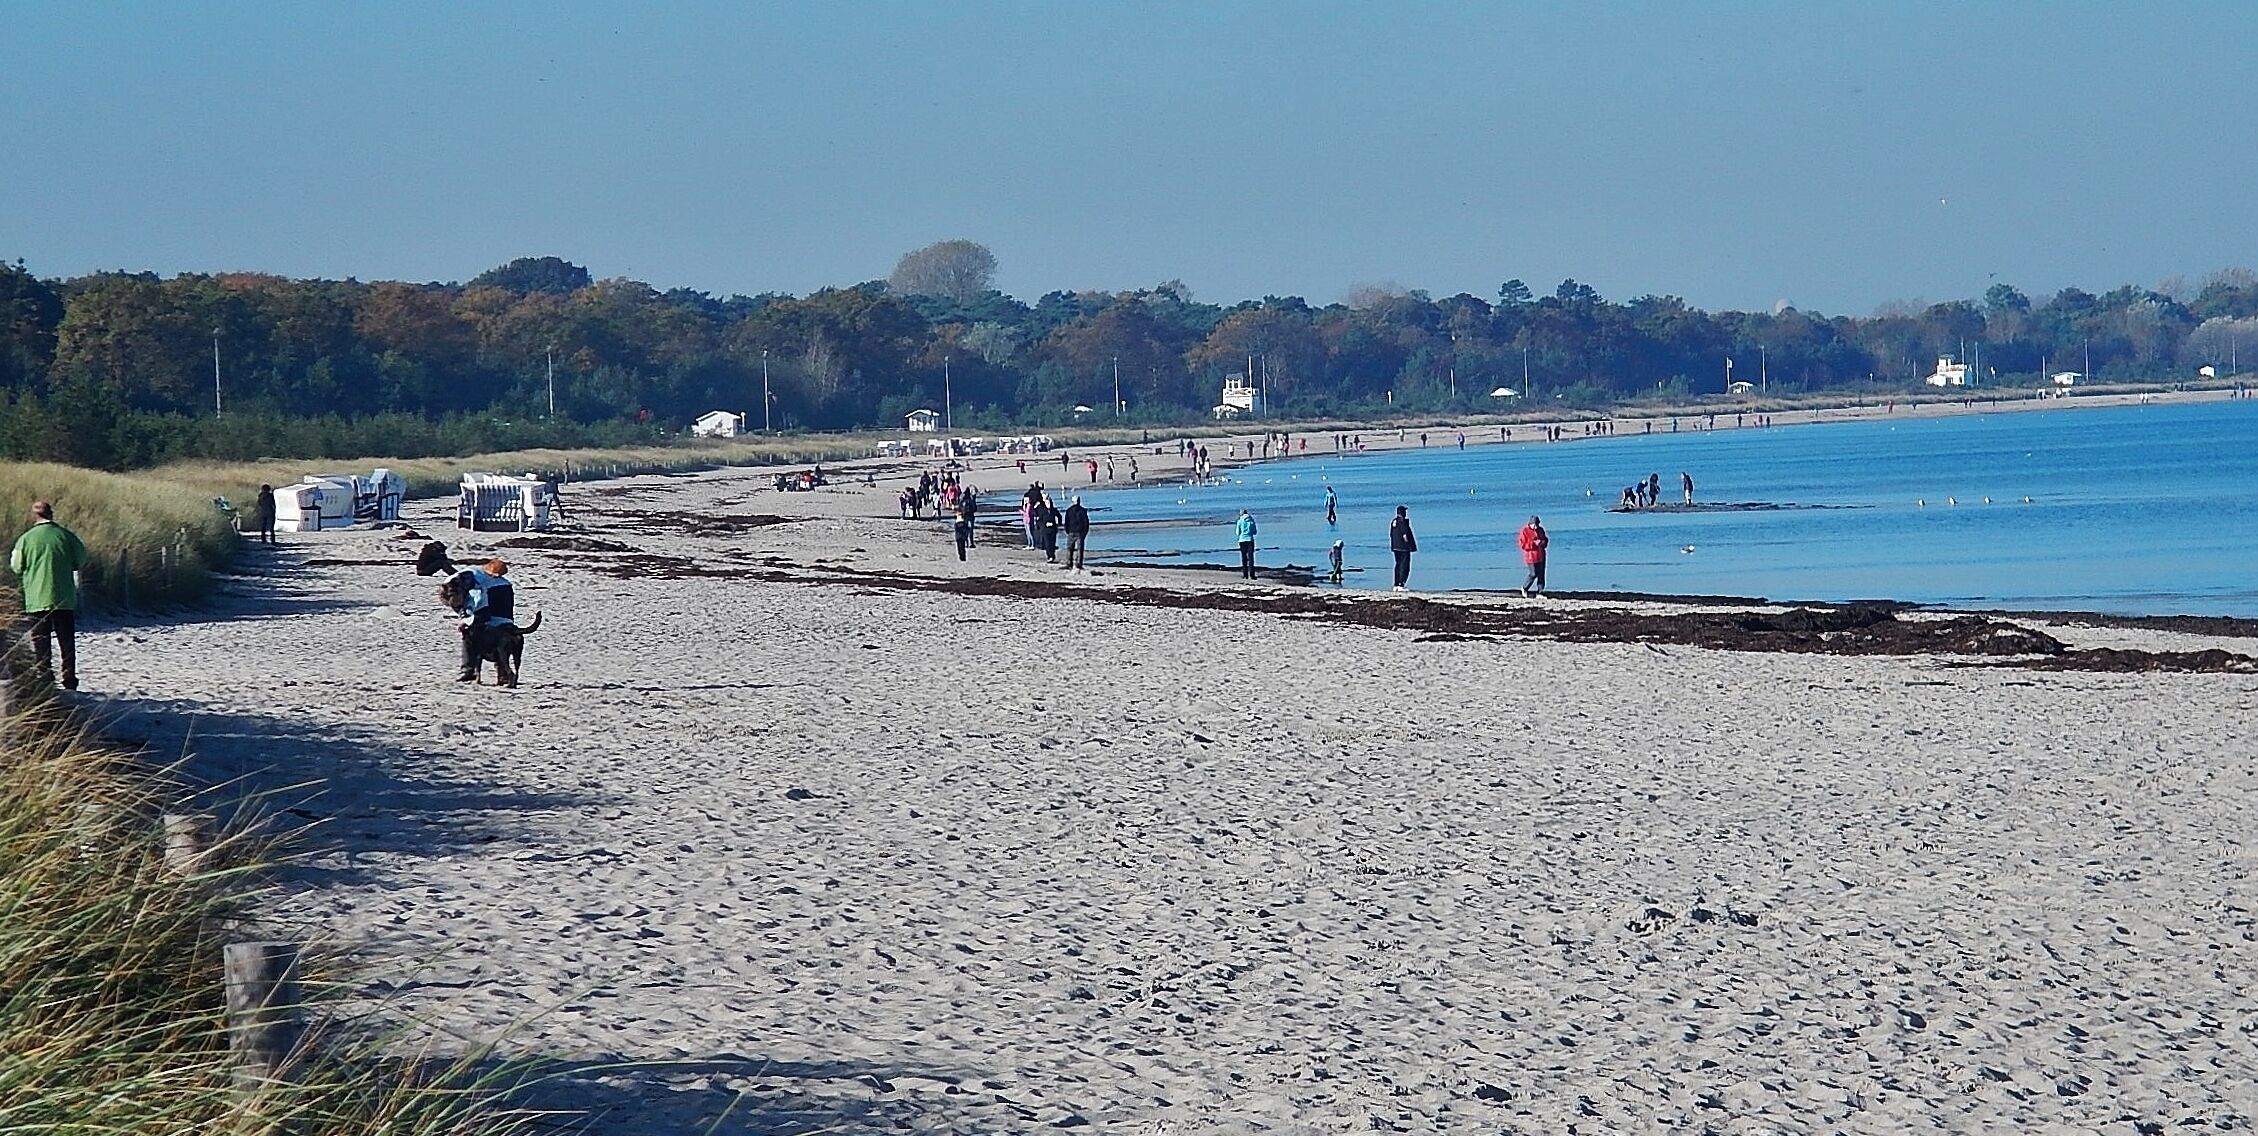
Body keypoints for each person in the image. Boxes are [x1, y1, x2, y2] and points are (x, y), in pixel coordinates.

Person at [9, 501, 90, 690]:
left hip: (36, 597)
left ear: (34, 516)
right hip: (63, 597)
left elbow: (16, 566)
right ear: (51, 514)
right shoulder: (67, 536)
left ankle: (45, 677)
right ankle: (69, 676)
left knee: (41, 640)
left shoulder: (25, 539)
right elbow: (80, 560)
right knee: (66, 640)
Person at [450, 559, 517, 682]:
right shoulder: (506, 584)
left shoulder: (479, 582)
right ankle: (503, 674)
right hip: (506, 622)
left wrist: (467, 621)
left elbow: (480, 605)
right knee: (502, 647)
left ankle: (468, 670)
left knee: (469, 638)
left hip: (490, 621)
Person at [1518, 515, 1549, 597]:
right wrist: (1533, 544)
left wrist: (1542, 542)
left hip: (1541, 555)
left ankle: (1540, 591)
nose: (1535, 526)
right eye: (1534, 524)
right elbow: (1522, 545)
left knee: (1541, 574)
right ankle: (1525, 588)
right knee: (1533, 573)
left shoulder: (1541, 530)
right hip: (1530, 556)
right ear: (1530, 523)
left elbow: (1545, 540)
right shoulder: (1524, 531)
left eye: (1537, 524)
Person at [1388, 505, 1416, 591]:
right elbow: (1405, 535)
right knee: (1404, 565)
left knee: (1398, 565)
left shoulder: (1394, 521)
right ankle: (1401, 584)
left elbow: (1391, 534)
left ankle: (1396, 584)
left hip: (1395, 547)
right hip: (1403, 547)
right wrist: (1408, 544)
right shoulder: (1402, 521)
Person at [1063, 494, 1091, 570]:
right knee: (1079, 549)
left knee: (1070, 549)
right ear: (1079, 501)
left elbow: (1066, 522)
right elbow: (1086, 522)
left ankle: (1069, 563)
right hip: (1079, 532)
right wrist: (1085, 532)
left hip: (1072, 532)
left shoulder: (1069, 510)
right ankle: (1078, 563)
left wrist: (1067, 530)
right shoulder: (1082, 510)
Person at [1234, 509, 1258, 580]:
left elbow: (1237, 533)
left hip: (1242, 540)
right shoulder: (1251, 521)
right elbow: (1255, 532)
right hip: (1250, 540)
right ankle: (1252, 575)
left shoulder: (1240, 521)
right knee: (1251, 558)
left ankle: (1245, 575)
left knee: (1244, 558)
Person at [953, 493, 976, 561]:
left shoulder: (962, 501)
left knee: (964, 532)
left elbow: (959, 508)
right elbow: (974, 508)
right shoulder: (971, 501)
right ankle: (970, 542)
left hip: (964, 518)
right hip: (970, 516)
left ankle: (966, 543)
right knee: (970, 530)